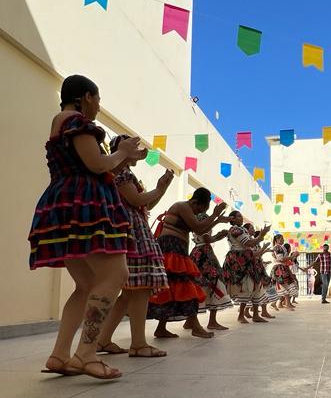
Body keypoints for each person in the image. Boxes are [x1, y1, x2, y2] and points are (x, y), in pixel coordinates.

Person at [28, 74, 144, 380]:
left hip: (64, 202)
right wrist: (123, 153)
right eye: (98, 99)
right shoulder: (77, 121)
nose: (99, 106)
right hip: (86, 203)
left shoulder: (60, 123)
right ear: (87, 97)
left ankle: (60, 355)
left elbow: (92, 164)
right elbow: (97, 165)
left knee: (86, 284)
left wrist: (123, 156)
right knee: (115, 274)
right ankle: (87, 355)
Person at [95, 138, 174, 357]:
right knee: (140, 287)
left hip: (131, 227)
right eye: (134, 147)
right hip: (133, 231)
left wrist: (162, 188)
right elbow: (139, 200)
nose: (139, 151)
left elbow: (143, 204)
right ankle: (138, 343)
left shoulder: (121, 172)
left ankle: (103, 340)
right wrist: (159, 187)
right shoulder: (123, 172)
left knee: (128, 293)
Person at [148, 189, 227, 339]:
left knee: (172, 287)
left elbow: (201, 229)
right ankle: (195, 326)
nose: (197, 213)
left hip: (177, 250)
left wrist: (216, 219)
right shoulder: (182, 206)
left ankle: (161, 328)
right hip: (171, 248)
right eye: (199, 209)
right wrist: (215, 215)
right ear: (194, 202)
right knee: (186, 286)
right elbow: (197, 227)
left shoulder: (187, 210)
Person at [187, 205, 235, 332]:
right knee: (215, 284)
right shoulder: (203, 220)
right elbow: (208, 238)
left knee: (196, 284)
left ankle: (190, 320)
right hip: (205, 254)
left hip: (196, 253)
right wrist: (219, 236)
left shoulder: (196, 220)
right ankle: (212, 322)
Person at [223, 211, 271, 323]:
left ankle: (255, 314)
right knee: (247, 285)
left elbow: (250, 244)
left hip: (248, 259)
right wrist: (262, 235)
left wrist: (260, 237)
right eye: (238, 216)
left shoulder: (241, 230)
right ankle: (241, 315)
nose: (241, 218)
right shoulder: (235, 230)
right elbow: (248, 243)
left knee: (255, 285)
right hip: (240, 260)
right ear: (232, 219)